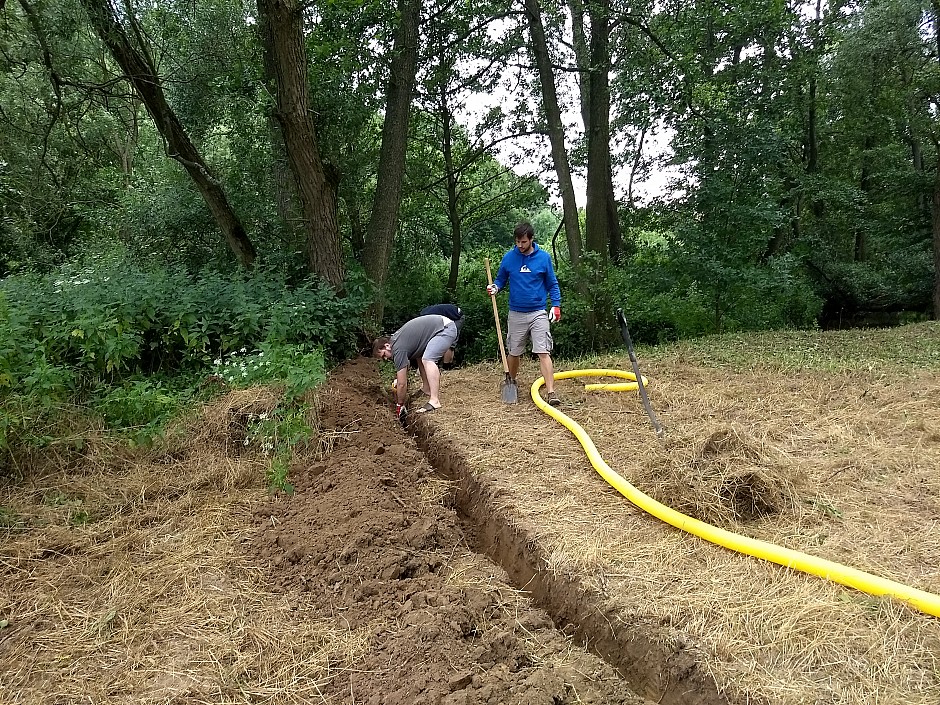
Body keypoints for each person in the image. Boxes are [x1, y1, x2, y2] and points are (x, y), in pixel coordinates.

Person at [486, 221, 562, 406]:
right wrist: (495, 287)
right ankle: (510, 382)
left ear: (531, 239)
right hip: (516, 313)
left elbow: (552, 284)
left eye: (523, 242)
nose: (520, 246)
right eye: (518, 242)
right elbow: (501, 279)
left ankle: (551, 393)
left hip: (538, 312)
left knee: (543, 351)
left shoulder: (543, 258)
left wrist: (556, 305)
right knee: (514, 352)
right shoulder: (509, 258)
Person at [372, 312, 459, 425]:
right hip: (441, 326)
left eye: (383, 355)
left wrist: (400, 405)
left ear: (387, 346)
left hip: (445, 329)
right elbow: (404, 367)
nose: (385, 359)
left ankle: (434, 401)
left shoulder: (397, 348)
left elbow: (402, 384)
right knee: (420, 356)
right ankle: (427, 388)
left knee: (428, 359)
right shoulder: (397, 342)